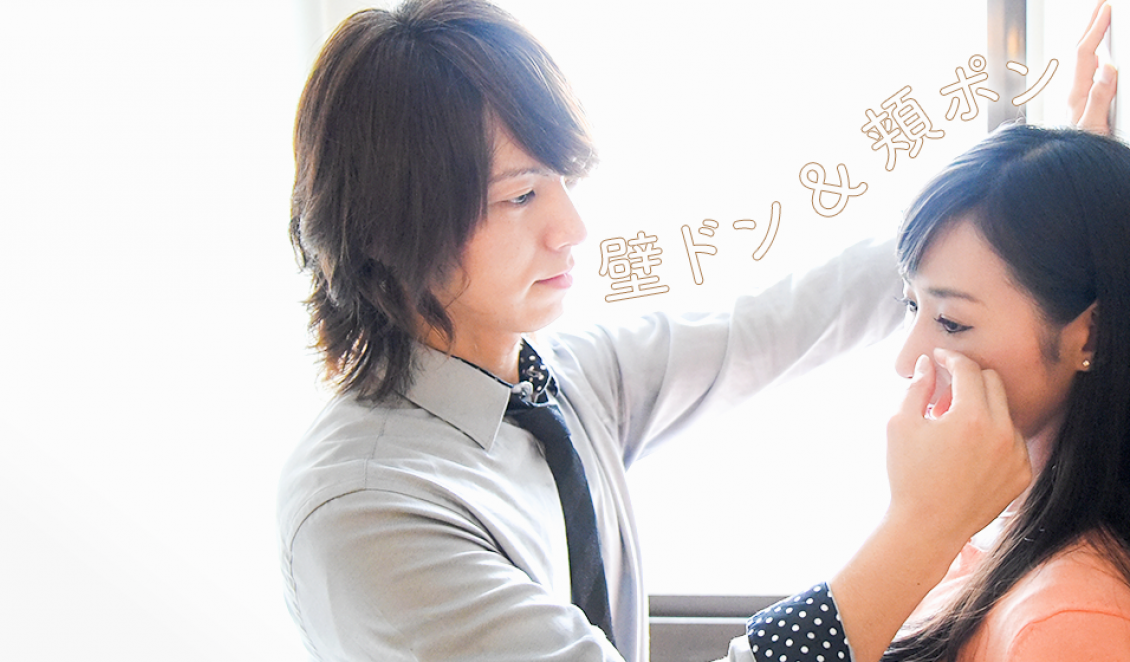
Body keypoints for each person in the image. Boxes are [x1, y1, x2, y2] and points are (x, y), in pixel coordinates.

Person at [277, 1, 1111, 660]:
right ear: (392, 227)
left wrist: (1047, 203)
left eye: (562, 181)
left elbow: (782, 321)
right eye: (520, 196)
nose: (571, 228)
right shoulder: (367, 512)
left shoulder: (559, 379)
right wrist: (919, 530)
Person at [876, 126, 1130, 661]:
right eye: (912, 306)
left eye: (951, 322)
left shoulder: (1071, 621)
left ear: (1091, 335)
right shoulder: (999, 536)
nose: (906, 361)